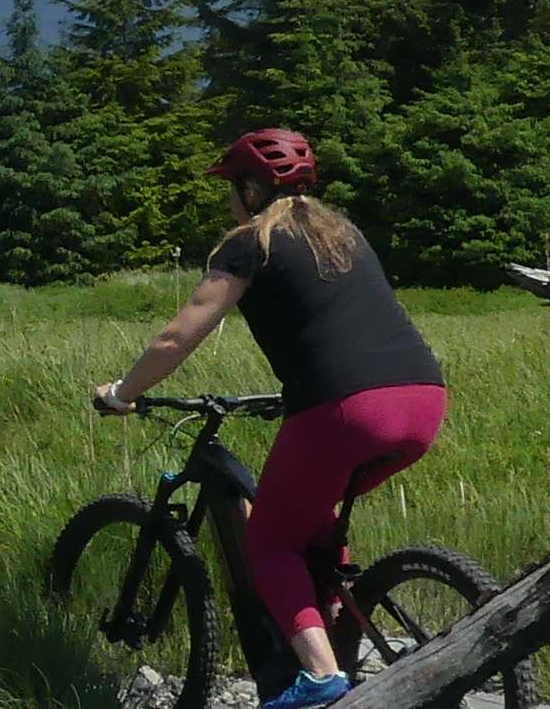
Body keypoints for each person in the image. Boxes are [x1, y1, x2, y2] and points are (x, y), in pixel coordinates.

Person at [93, 128, 447, 709]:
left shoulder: (248, 241)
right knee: (312, 521)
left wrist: (122, 392)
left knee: (270, 542)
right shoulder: (344, 233)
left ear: (253, 189)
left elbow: (180, 334)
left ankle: (321, 679)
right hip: (422, 399)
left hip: (347, 409)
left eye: (234, 190)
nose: (231, 202)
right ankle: (337, 620)